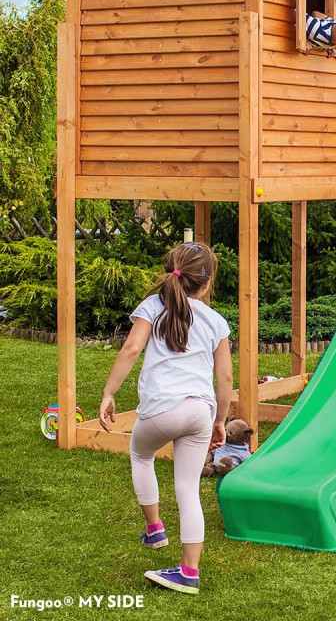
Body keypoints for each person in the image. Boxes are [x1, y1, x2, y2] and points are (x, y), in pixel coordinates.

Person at [99, 242, 233, 595]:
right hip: (201, 412)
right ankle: (189, 572)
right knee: (188, 489)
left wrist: (109, 393)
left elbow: (130, 350)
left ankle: (155, 527)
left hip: (162, 409)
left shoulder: (152, 306)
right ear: (205, 284)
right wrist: (221, 420)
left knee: (141, 454)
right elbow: (226, 380)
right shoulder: (216, 321)